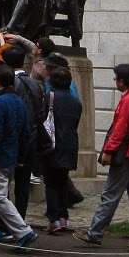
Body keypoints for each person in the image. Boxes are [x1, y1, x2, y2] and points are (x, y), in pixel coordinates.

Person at [75, 62, 129, 250]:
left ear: (122, 81)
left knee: (110, 195)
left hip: (126, 154)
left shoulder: (128, 101)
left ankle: (95, 233)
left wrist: (108, 151)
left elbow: (119, 130)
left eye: (116, 79)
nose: (115, 81)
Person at [0, 66, 37, 252]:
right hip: (12, 156)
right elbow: (25, 132)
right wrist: (21, 156)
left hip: (0, 157)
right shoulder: (19, 101)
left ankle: (23, 231)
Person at [3, 42, 46, 217]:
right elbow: (42, 112)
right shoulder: (36, 84)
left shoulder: (9, 83)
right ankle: (20, 218)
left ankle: (6, 221)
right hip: (31, 138)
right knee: (23, 184)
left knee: (3, 183)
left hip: (11, 139)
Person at [43, 64, 82, 233]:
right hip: (70, 145)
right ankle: (63, 216)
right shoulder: (76, 102)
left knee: (50, 182)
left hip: (52, 144)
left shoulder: (49, 97)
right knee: (63, 181)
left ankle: (53, 219)